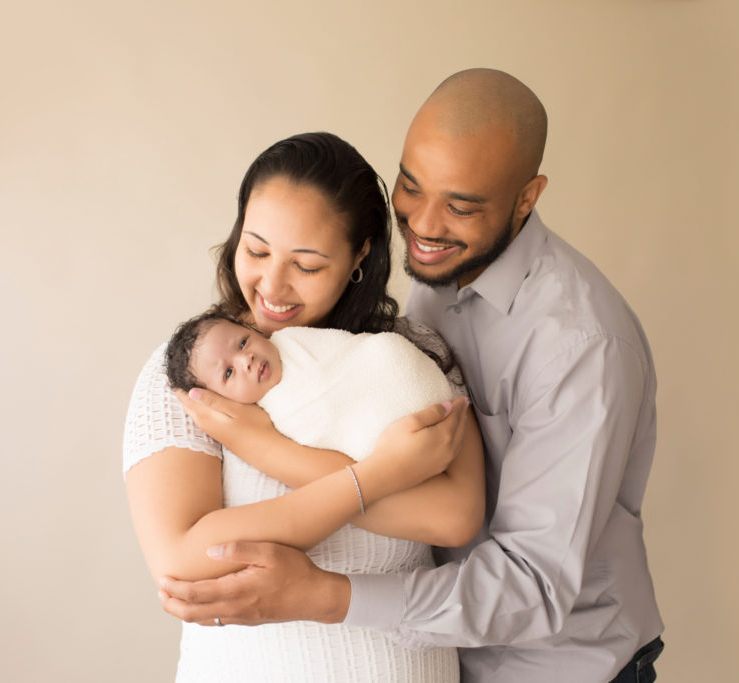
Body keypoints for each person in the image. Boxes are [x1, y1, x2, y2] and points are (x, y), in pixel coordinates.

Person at [163, 70, 665, 682]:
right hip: (443, 658)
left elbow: (530, 583)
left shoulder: (581, 346)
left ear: (527, 198)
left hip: (558, 668)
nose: (424, 226)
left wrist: (324, 594)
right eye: (410, 186)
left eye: (460, 206)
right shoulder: (428, 291)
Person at [123, 131, 484, 682]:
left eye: (307, 265)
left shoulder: (406, 357)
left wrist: (265, 449)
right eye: (256, 249)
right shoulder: (197, 370)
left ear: (360, 254)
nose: (271, 285)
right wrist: (382, 474)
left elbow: (454, 516)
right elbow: (183, 560)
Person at [164, 312, 462, 463]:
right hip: (389, 438)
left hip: (400, 377)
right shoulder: (269, 418)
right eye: (229, 372)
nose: (247, 359)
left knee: (386, 349)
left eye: (243, 342)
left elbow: (357, 350)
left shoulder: (291, 339)